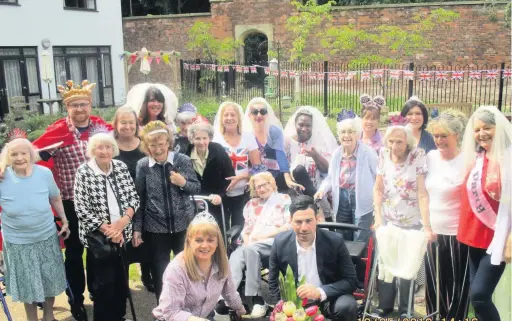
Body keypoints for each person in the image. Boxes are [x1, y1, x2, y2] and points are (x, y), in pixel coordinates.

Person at [32, 79, 111, 321]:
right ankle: (76, 299)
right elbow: (31, 156)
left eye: (84, 104)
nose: (80, 109)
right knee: (75, 254)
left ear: (90, 105)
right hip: (70, 204)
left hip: (99, 203)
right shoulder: (57, 134)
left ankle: (99, 294)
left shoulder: (101, 130)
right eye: (74, 105)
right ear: (67, 108)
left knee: (99, 252)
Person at [0, 136, 70, 321]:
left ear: (31, 154)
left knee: (49, 279)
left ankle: (49, 316)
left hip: (45, 235)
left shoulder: (44, 174)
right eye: (14, 154)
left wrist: (64, 219)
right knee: (26, 284)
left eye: (23, 153)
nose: (19, 157)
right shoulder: (2, 176)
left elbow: (55, 197)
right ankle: (31, 319)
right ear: (8, 157)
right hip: (17, 241)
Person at [74, 130, 140, 321]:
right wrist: (110, 230)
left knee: (121, 282)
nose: (104, 151)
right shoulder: (84, 172)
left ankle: (119, 316)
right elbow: (81, 208)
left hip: (122, 234)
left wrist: (123, 222)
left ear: (114, 148)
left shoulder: (120, 167)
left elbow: (134, 198)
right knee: (102, 286)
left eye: (108, 147)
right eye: (100, 147)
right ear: (93, 150)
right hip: (99, 239)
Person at [133, 120, 201, 300]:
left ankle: (187, 306)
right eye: (152, 145)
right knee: (161, 272)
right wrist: (137, 229)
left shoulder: (182, 160)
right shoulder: (143, 166)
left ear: (168, 142)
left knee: (186, 268)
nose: (157, 149)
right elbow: (139, 198)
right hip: (156, 228)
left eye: (161, 144)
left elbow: (196, 188)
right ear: (146, 146)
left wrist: (183, 182)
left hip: (183, 224)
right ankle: (164, 311)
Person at [373, 125, 435, 318]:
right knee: (386, 262)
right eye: (391, 141)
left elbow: (422, 193)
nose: (394, 146)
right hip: (389, 220)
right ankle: (385, 306)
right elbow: (378, 189)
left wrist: (427, 225)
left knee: (408, 265)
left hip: (412, 220)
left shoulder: (417, 155)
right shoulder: (383, 154)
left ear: (407, 142)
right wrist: (378, 217)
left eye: (399, 142)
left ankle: (405, 309)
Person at [457, 105, 511, 321]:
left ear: (499, 128)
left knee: (479, 295)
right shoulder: (478, 157)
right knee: (476, 297)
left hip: (498, 238)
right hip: (474, 237)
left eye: (487, 127)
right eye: (477, 130)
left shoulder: (508, 159)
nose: (481, 134)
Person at [269, 195, 358, 321]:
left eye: (308, 221)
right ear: (290, 221)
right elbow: (272, 282)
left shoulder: (335, 241)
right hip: (295, 304)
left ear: (317, 219)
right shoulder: (280, 243)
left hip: (328, 299)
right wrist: (281, 307)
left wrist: (320, 292)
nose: (304, 228)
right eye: (298, 222)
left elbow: (351, 281)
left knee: (347, 306)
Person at [153, 211, 247, 321]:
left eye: (210, 240)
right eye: (198, 240)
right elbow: (170, 312)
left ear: (217, 242)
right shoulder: (176, 269)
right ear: (189, 241)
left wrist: (240, 309)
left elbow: (230, 292)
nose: (204, 245)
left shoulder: (222, 261)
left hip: (204, 316)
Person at [424, 110, 470, 320]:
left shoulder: (468, 160)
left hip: (457, 233)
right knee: (434, 284)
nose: (439, 140)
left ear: (457, 136)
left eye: (444, 136)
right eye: (436, 136)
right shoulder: (430, 158)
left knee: (456, 284)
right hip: (432, 231)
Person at [226, 171, 291, 318]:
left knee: (245, 251)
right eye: (258, 187)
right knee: (238, 254)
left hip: (274, 242)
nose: (261, 189)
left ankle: (256, 299)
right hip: (253, 245)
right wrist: (248, 241)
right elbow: (247, 229)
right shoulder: (251, 204)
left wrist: (263, 236)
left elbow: (288, 226)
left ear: (272, 183)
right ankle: (231, 297)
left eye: (264, 185)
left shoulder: (283, 199)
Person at [112, 105, 154, 293]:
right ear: (116, 124)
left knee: (146, 239)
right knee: (124, 243)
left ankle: (147, 275)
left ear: (136, 124)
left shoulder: (144, 144)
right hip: (118, 202)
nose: (127, 126)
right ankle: (123, 281)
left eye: (131, 122)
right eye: (123, 122)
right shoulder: (111, 146)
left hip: (144, 199)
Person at [315, 116, 377, 243]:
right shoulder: (337, 154)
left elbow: (379, 177)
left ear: (358, 134)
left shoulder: (368, 153)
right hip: (342, 196)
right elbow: (330, 178)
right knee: (343, 233)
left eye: (351, 132)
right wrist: (322, 190)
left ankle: (359, 262)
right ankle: (346, 262)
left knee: (361, 234)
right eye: (343, 132)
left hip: (362, 197)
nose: (346, 135)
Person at [213, 101, 262, 229]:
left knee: (240, 228)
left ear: (238, 118)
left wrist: (240, 178)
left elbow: (258, 167)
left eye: (233, 115)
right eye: (226, 115)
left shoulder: (248, 137)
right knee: (221, 228)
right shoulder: (216, 139)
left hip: (243, 192)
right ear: (221, 118)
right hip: (222, 192)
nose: (229, 118)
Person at [284, 106, 337, 220]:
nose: (304, 129)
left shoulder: (319, 143)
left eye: (308, 125)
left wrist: (315, 155)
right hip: (293, 192)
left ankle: (324, 213)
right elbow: (283, 168)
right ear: (295, 124)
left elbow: (328, 170)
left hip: (317, 190)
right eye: (301, 125)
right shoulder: (287, 143)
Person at [244, 97, 303, 193]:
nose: (259, 115)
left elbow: (280, 154)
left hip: (276, 174)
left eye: (262, 111)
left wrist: (287, 178)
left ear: (267, 114)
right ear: (249, 115)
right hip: (257, 177)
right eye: (255, 112)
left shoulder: (275, 131)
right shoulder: (246, 134)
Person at [185, 122, 235, 230]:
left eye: (205, 138)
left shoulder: (218, 150)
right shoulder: (185, 153)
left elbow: (229, 176)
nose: (202, 142)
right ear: (192, 139)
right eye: (197, 138)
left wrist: (220, 195)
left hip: (216, 200)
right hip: (194, 201)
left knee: (218, 231)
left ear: (210, 138)